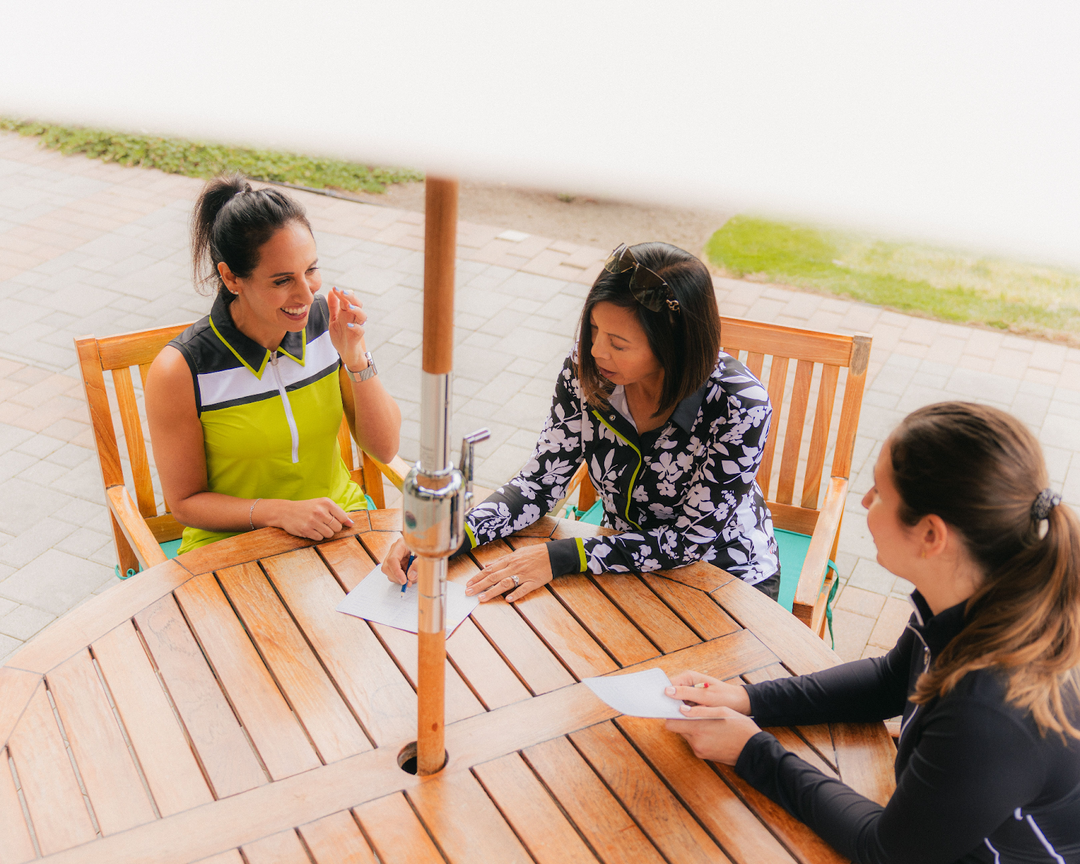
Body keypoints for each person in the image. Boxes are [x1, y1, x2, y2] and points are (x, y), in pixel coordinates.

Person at [666, 402, 1080, 863]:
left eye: (879, 492)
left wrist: (751, 750)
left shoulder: (990, 711)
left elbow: (885, 851)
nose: (864, 501)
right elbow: (888, 682)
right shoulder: (973, 602)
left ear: (931, 535)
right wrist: (747, 700)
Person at [385, 241, 780, 600]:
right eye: (593, 329)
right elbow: (540, 483)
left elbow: (689, 541)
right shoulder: (585, 370)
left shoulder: (739, 406)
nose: (595, 350)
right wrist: (453, 536)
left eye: (618, 343)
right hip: (617, 563)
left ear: (673, 345)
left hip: (725, 575)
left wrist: (558, 557)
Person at [146, 174, 401, 554]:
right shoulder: (181, 369)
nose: (305, 293)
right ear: (231, 277)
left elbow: (384, 449)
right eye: (282, 280)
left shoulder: (326, 326)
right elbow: (185, 502)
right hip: (231, 548)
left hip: (339, 526)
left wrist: (355, 358)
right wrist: (278, 513)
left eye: (311, 269)